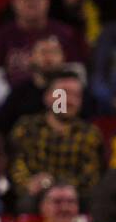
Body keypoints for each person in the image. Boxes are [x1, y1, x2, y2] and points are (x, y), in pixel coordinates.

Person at [7, 74, 103, 211]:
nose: (69, 101)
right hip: (34, 195)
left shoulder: (90, 134)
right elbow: (16, 165)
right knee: (25, 202)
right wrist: (28, 183)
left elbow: (91, 178)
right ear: (47, 97)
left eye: (76, 96)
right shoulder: (26, 127)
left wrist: (55, 185)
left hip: (76, 197)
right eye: (62, 94)